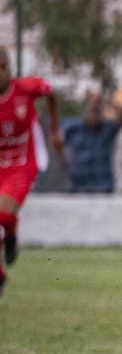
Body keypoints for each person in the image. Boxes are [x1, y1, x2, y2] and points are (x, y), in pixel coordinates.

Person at [0, 49, 63, 296]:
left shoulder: (27, 88)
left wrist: (55, 130)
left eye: (3, 67)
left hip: (23, 163)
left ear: (10, 69)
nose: (0, 73)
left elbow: (51, 94)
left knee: (3, 215)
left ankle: (11, 232)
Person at [63, 90, 122, 193]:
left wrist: (105, 100)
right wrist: (67, 167)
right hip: (78, 187)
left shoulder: (108, 128)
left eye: (97, 110)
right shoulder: (73, 127)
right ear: (85, 109)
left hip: (103, 187)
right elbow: (57, 142)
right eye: (92, 109)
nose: (94, 113)